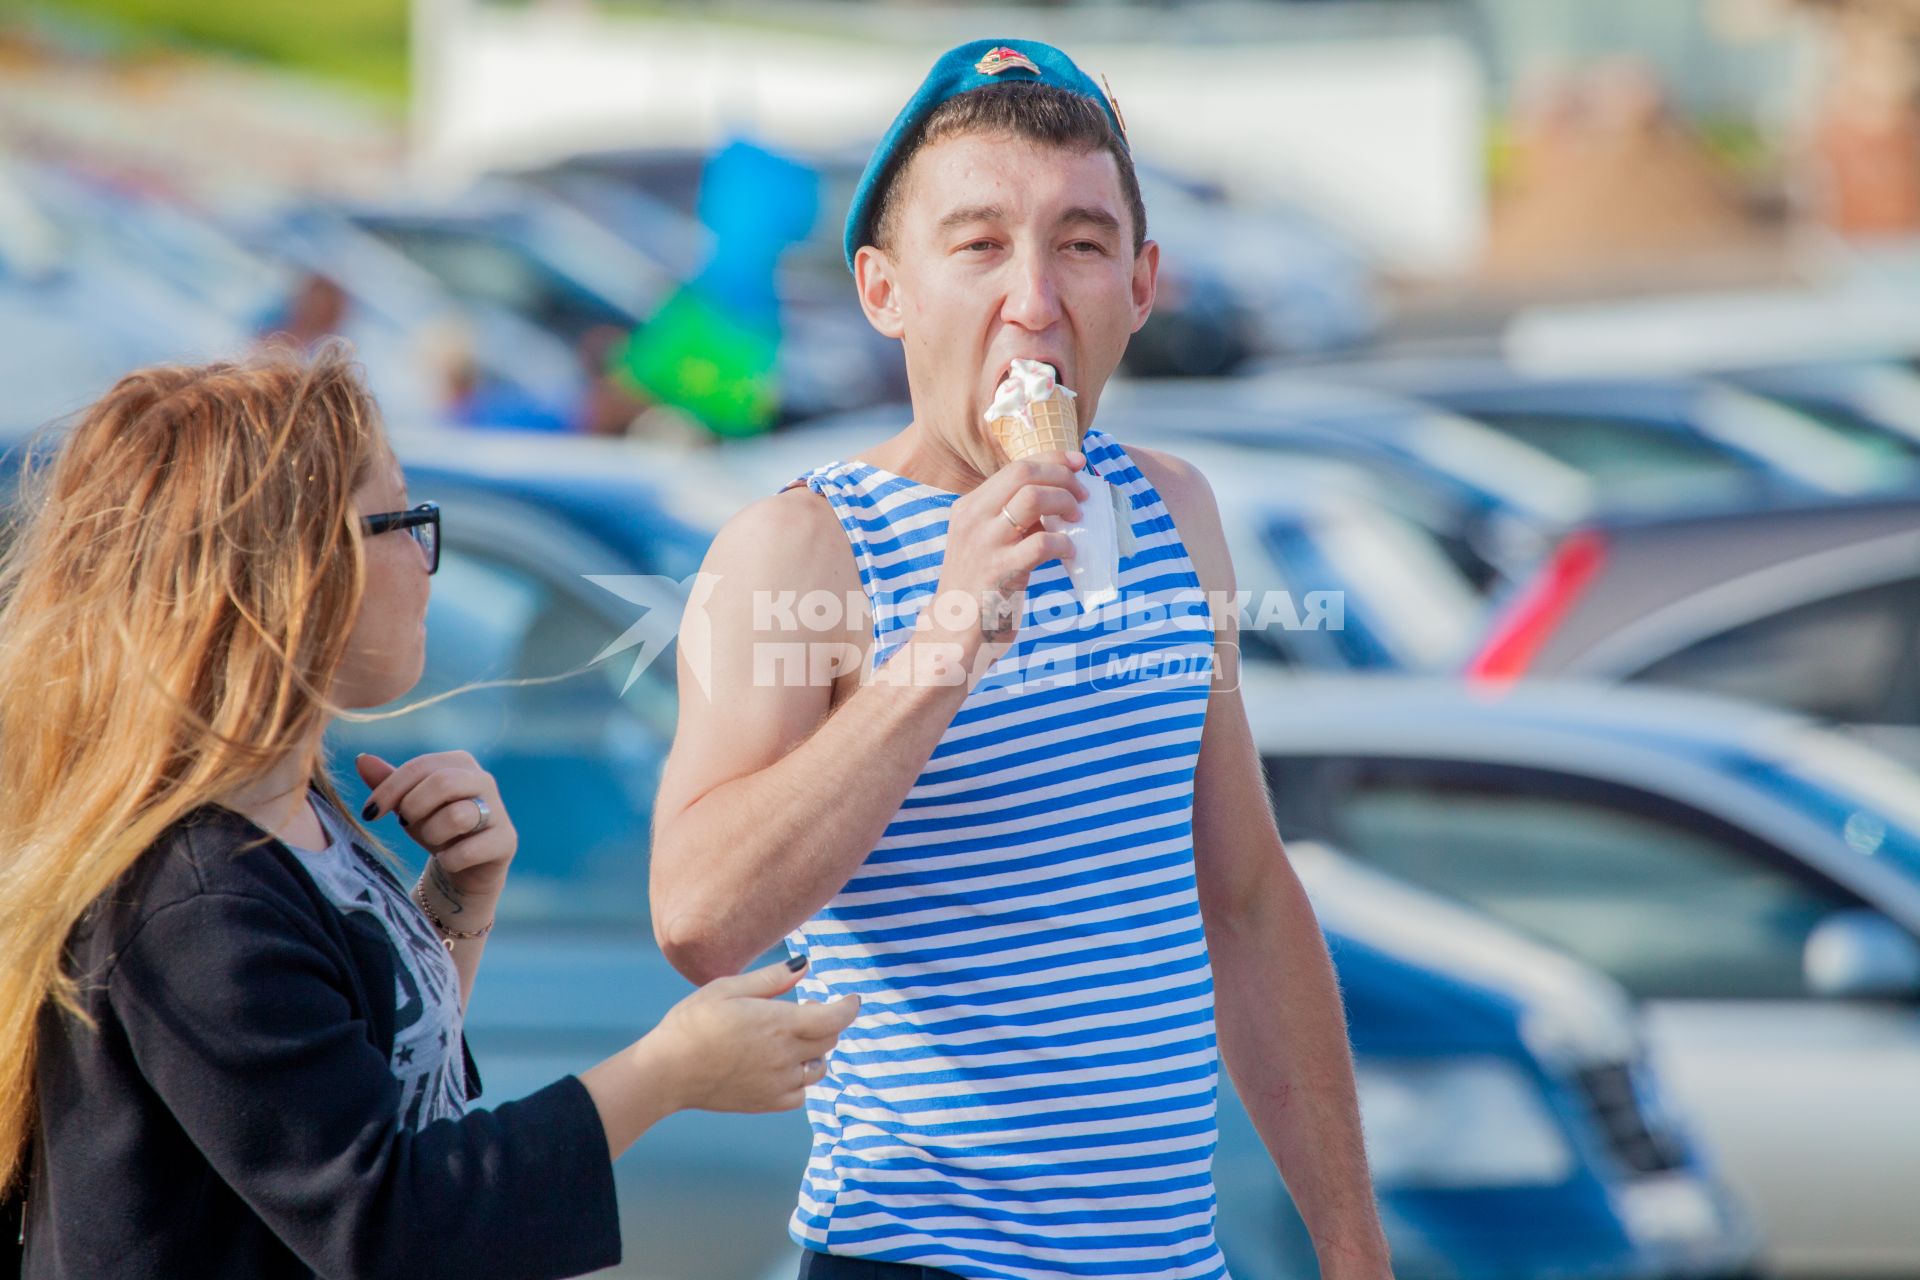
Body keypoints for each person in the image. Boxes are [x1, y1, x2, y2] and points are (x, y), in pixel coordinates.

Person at [650, 38, 1392, 1280]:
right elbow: (700, 916)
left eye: (1083, 243)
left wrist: (1353, 1244)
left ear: (1143, 285)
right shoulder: (797, 545)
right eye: (981, 244)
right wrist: (947, 640)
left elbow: (1248, 897)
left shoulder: (1174, 510)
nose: (1036, 299)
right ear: (886, 291)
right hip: (914, 1252)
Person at [0, 342, 859, 1278]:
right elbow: (391, 1223)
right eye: (402, 523)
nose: (424, 559)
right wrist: (668, 1073)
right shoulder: (194, 897)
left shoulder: (292, 814)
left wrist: (455, 906)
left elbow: (390, 1092)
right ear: (292, 573)